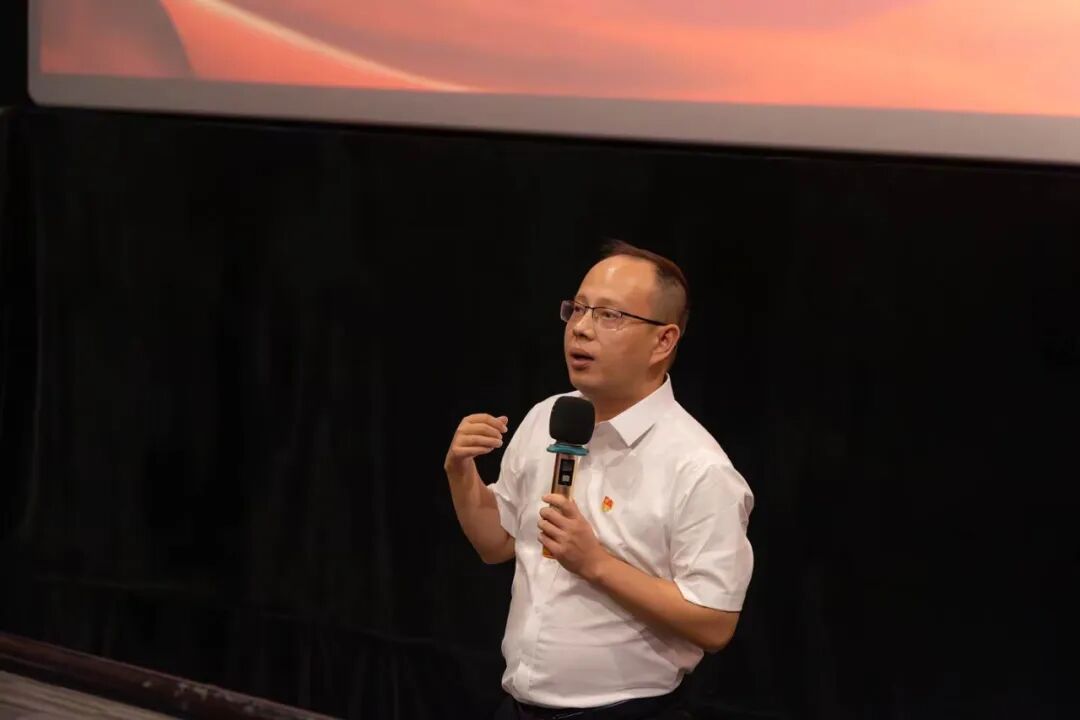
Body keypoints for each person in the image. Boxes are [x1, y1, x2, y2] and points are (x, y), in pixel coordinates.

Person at [445, 241, 754, 719]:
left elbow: (714, 624)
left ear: (663, 341)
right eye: (578, 309)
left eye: (610, 316)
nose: (582, 328)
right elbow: (497, 543)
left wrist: (595, 564)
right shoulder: (548, 416)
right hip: (519, 705)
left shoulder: (698, 467)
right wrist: (460, 472)